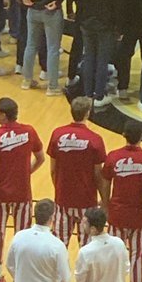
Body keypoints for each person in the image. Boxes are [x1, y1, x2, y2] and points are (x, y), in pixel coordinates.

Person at [0, 98, 44, 282]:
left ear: (5, 115)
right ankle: (19, 279)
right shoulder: (30, 131)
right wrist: (27, 172)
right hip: (23, 194)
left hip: (0, 194)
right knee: (22, 236)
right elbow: (41, 158)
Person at [102, 122, 142, 282]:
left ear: (124, 134)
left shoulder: (113, 157)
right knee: (137, 257)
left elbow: (105, 182)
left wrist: (105, 205)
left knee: (114, 257)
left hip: (117, 213)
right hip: (138, 216)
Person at [47, 98, 106, 247]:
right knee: (87, 247)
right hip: (86, 201)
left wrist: (60, 188)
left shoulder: (57, 134)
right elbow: (98, 175)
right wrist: (105, 200)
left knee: (58, 246)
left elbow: (53, 170)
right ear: (87, 113)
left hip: (63, 199)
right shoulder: (95, 139)